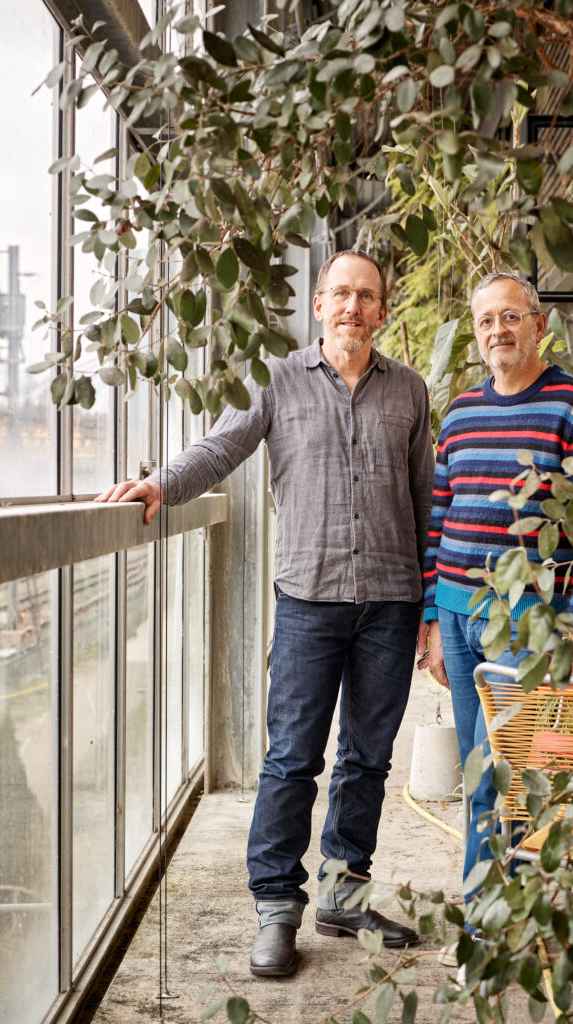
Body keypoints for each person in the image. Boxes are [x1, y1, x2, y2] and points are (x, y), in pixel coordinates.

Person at [97, 250, 434, 976]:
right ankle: (277, 909)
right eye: (340, 293)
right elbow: (221, 447)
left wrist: (429, 606)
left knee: (367, 760)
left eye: (365, 296)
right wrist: (161, 484)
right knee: (291, 760)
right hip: (309, 601)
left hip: (391, 602)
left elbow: (422, 499)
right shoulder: (276, 379)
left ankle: (342, 897)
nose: (352, 306)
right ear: (319, 305)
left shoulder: (409, 389)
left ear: (382, 311)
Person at [420, 272, 573, 887]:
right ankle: (493, 907)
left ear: (539, 325)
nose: (497, 330)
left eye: (510, 316)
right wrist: (431, 618)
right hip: (457, 616)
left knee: (506, 773)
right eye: (486, 320)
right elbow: (439, 518)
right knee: (479, 771)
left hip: (529, 621)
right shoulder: (460, 412)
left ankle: (493, 914)